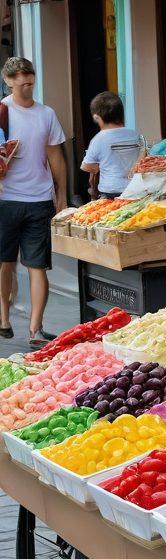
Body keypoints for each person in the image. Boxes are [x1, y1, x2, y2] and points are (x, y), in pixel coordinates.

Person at [0, 56, 67, 346]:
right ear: (9, 81)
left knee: (37, 266)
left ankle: (35, 329)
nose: (27, 86)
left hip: (39, 199)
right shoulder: (1, 112)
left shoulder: (46, 114)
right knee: (4, 264)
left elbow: (55, 156)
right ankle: (3, 318)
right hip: (5, 199)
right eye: (21, 81)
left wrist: (61, 195)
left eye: (30, 80)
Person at [80, 92, 143, 198]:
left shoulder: (99, 139)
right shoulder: (135, 134)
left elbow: (86, 166)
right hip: (135, 188)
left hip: (110, 191)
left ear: (97, 118)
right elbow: (142, 155)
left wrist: (99, 166)